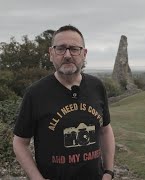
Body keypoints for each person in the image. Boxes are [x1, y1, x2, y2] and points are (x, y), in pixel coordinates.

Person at [13, 25, 115, 180]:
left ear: (84, 53)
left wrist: (108, 171)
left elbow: (105, 130)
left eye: (74, 48)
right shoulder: (35, 93)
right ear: (51, 53)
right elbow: (20, 143)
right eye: (60, 48)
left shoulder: (97, 86)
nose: (67, 55)